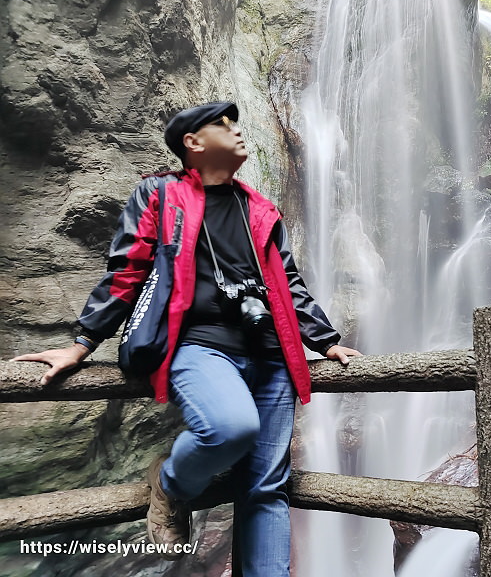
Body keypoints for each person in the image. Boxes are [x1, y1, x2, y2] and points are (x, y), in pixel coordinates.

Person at [12, 102, 361, 576]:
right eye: (222, 124)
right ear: (192, 143)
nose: (236, 131)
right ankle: (171, 482)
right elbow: (127, 270)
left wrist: (325, 341)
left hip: (271, 355)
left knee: (267, 489)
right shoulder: (160, 194)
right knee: (230, 428)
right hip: (199, 347)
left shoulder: (260, 208)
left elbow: (288, 281)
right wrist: (82, 342)